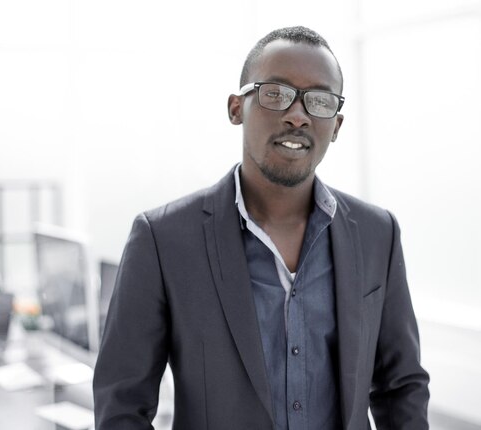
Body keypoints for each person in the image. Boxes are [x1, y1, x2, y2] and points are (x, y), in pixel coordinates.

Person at [93, 26, 430, 430]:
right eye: (276, 93)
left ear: (336, 126)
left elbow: (401, 386)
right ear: (237, 108)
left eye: (319, 101)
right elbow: (121, 408)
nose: (297, 115)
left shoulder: (378, 234)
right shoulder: (162, 239)